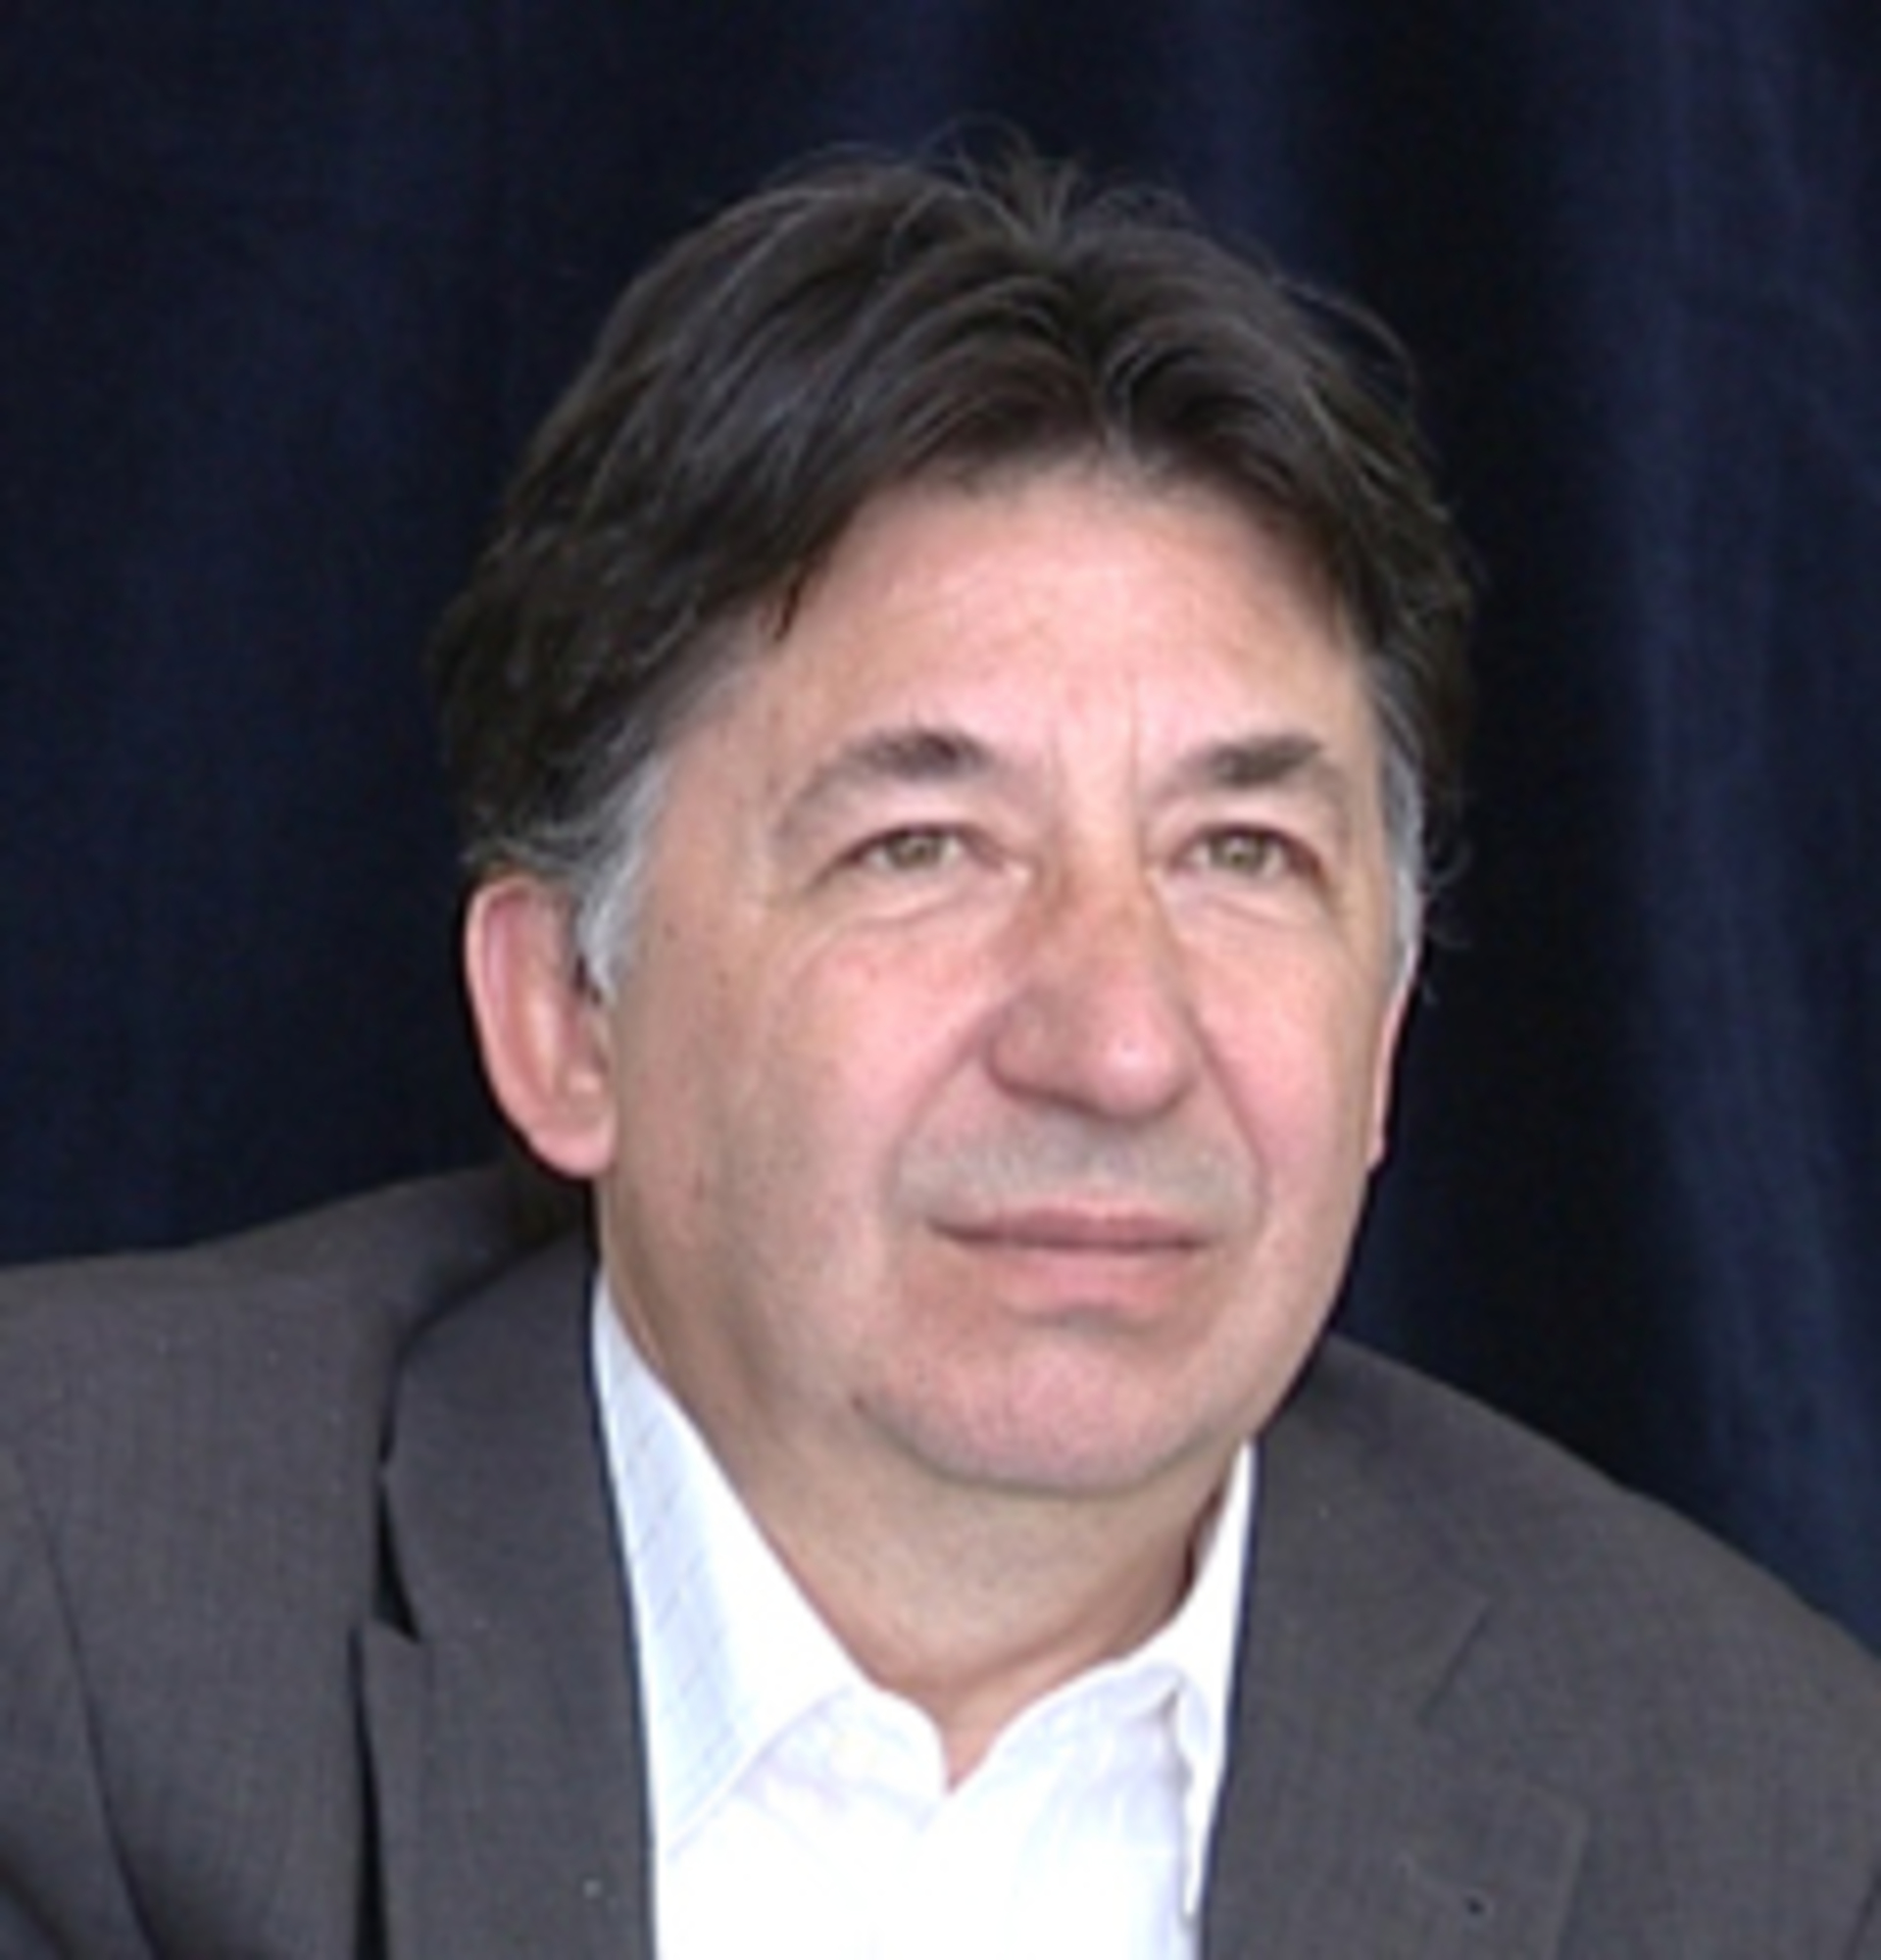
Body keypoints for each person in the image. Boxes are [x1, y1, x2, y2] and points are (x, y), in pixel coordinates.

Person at [2, 147, 1878, 1960]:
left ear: (1381, 1039)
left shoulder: (1759, 1829)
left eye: (1241, 855)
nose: (1120, 1046)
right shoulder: (77, 1613)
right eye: (924, 848)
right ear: (567, 1011)